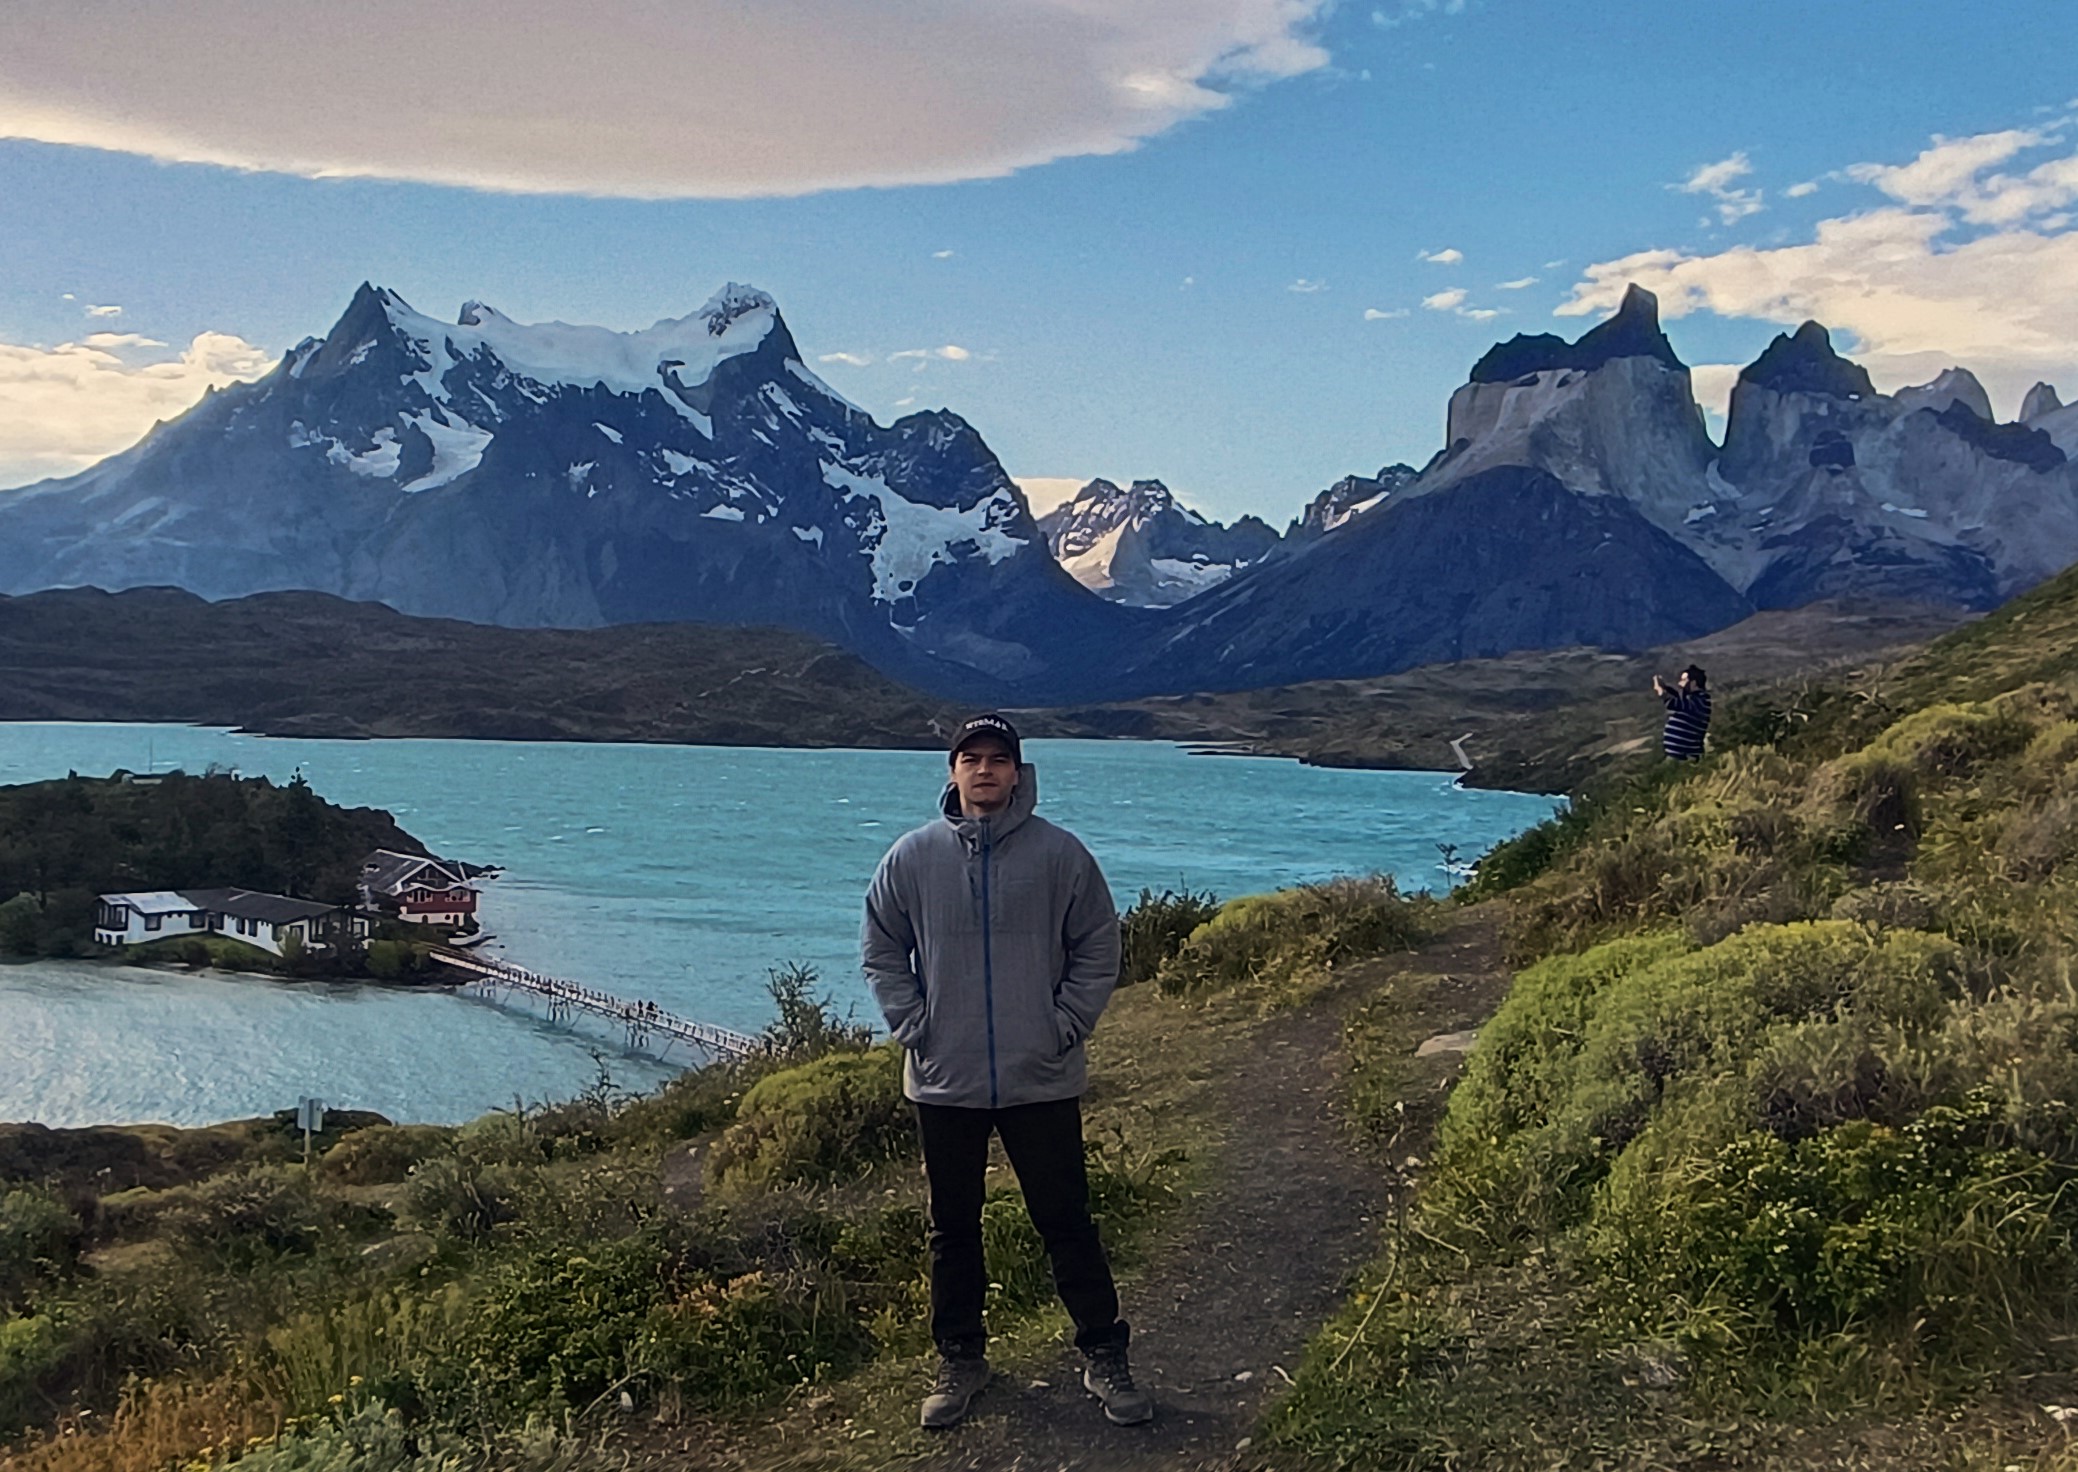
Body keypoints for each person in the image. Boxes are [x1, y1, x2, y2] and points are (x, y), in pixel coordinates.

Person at [862, 713, 1151, 1431]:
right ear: (952, 771)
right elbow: (881, 948)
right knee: (951, 1230)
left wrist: (1065, 1024)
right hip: (944, 1078)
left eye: (998, 759)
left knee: (1066, 1222)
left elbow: (1097, 945)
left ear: (1019, 772)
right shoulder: (912, 857)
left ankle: (1104, 1353)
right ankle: (961, 1359)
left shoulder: (1061, 855)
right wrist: (914, 1026)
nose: (985, 770)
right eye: (971, 758)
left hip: (1040, 1075)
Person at [1655, 664, 1711, 761]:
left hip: (1685, 755)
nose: (1680, 683)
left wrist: (1663, 692)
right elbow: (1676, 701)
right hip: (1679, 755)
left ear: (1693, 683)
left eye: (1684, 680)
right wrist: (1665, 688)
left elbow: (1676, 703)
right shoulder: (1694, 700)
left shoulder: (1701, 700)